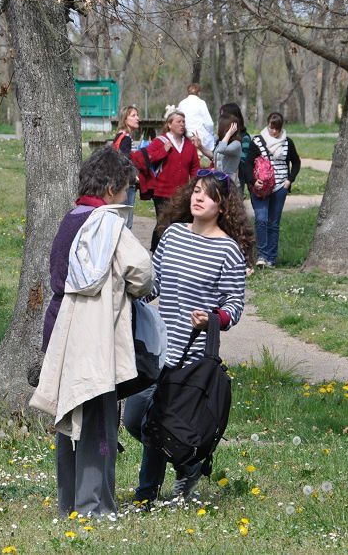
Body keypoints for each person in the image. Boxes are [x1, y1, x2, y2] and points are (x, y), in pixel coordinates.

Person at [30, 147, 153, 516]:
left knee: (70, 422)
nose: (127, 196)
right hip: (93, 337)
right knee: (98, 423)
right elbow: (142, 272)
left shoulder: (70, 220)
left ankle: (69, 501)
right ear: (112, 187)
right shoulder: (108, 224)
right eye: (127, 189)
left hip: (59, 331)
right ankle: (95, 506)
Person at [123, 170, 252, 504]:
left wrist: (213, 318)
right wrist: (129, 301)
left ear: (222, 206)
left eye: (208, 195)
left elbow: (235, 305)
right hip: (157, 349)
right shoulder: (173, 235)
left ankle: (145, 495)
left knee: (158, 422)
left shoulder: (228, 251)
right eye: (196, 191)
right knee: (135, 418)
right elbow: (155, 282)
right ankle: (188, 462)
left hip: (191, 358)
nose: (198, 198)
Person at [243, 112, 301, 268]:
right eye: (271, 127)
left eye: (277, 128)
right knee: (261, 219)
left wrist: (289, 180)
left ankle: (271, 258)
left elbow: (296, 162)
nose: (273, 131)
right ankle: (262, 256)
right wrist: (253, 182)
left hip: (280, 187)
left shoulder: (287, 143)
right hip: (260, 188)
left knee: (273, 223)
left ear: (281, 128)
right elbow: (247, 164)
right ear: (267, 124)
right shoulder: (257, 141)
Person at [149, 109, 200, 252]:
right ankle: (156, 252)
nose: (182, 124)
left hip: (182, 193)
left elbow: (195, 167)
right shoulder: (160, 141)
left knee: (181, 223)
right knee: (163, 223)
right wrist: (163, 151)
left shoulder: (189, 145)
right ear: (169, 124)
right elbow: (149, 158)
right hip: (162, 191)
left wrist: (194, 186)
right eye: (178, 121)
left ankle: (175, 252)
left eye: (184, 122)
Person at [113, 105, 141, 229]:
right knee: (125, 224)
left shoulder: (120, 136)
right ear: (125, 119)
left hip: (119, 183)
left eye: (137, 115)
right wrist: (134, 176)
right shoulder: (125, 138)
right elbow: (123, 160)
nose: (137, 118)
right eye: (133, 115)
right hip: (126, 184)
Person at [219, 103, 250, 195]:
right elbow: (215, 155)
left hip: (235, 181)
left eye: (223, 117)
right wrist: (201, 147)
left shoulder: (244, 138)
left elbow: (243, 161)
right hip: (220, 180)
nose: (221, 120)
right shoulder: (222, 139)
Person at [177, 83, 216, 156]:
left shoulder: (181, 103)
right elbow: (209, 123)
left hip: (185, 135)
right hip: (199, 137)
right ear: (199, 93)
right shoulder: (201, 103)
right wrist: (211, 133)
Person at [213, 113, 242, 188]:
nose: (217, 128)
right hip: (219, 183)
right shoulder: (222, 142)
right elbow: (215, 154)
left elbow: (222, 150)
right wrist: (200, 147)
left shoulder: (236, 144)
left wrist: (228, 134)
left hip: (230, 185)